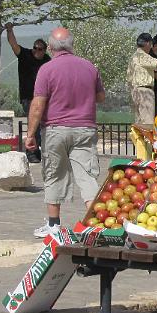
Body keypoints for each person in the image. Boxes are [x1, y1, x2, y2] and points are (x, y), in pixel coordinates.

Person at [24, 27, 106, 238]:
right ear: (71, 45)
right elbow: (100, 97)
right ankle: (97, 222)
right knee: (87, 176)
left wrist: (31, 134)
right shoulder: (89, 67)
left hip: (55, 129)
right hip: (85, 128)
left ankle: (53, 225)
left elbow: (38, 104)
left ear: (50, 47)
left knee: (53, 174)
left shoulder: (46, 69)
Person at [5, 24, 51, 162]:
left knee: (43, 125)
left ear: (44, 50)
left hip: (43, 97)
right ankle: (31, 152)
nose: (37, 51)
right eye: (35, 48)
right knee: (34, 125)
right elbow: (13, 44)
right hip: (28, 97)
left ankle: (39, 151)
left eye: (40, 49)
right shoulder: (25, 54)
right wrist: (9, 30)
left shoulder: (47, 60)